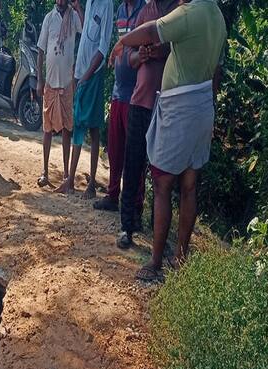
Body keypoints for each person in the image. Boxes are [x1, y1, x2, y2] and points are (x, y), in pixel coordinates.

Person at [110, 0, 226, 280]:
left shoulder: (189, 13)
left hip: (180, 109)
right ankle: (180, 257)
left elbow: (151, 31)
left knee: (162, 183)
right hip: (201, 106)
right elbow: (217, 74)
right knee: (188, 185)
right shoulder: (217, 16)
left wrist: (122, 41)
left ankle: (156, 263)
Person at [113, 0, 179, 248]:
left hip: (166, 105)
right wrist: (139, 55)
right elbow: (128, 56)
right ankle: (127, 227)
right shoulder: (146, 11)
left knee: (163, 175)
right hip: (139, 100)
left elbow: (177, 49)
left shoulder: (179, 13)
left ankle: (157, 234)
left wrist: (160, 51)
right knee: (132, 166)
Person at [92, 0, 144, 211]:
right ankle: (113, 195)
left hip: (137, 94)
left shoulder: (146, 10)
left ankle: (135, 205)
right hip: (118, 92)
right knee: (115, 148)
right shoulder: (121, 10)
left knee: (135, 153)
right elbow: (121, 43)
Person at [59, 0, 114, 197]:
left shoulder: (107, 5)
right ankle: (71, 181)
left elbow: (102, 48)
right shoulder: (90, 2)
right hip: (81, 73)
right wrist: (79, 9)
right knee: (79, 124)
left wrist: (87, 75)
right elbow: (86, 34)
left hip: (93, 74)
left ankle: (89, 185)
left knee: (92, 127)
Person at [36, 0, 83, 187]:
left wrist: (78, 7)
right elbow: (40, 51)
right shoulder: (49, 18)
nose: (62, 2)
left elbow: (86, 29)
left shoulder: (74, 18)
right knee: (47, 128)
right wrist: (39, 79)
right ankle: (45, 172)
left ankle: (66, 174)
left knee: (67, 128)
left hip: (67, 83)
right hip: (50, 82)